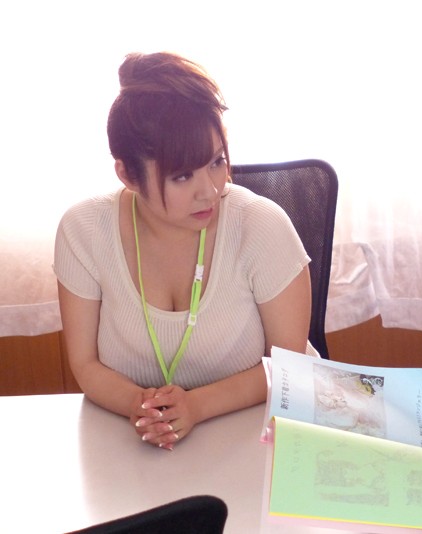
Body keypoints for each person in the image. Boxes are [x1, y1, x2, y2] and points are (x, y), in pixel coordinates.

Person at [54, 52, 315, 450]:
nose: (209, 190)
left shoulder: (262, 226)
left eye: (217, 161)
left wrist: (195, 406)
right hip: (137, 446)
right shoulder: (84, 231)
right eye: (181, 176)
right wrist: (142, 407)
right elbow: (85, 364)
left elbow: (288, 367)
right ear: (127, 174)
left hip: (258, 441)